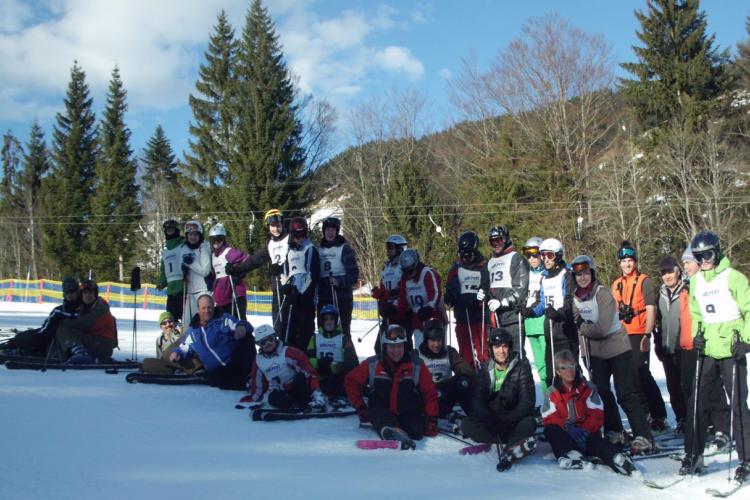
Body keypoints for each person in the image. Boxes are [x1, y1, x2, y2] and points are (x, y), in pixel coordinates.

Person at [682, 231, 750, 482]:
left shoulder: (734, 278)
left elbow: (749, 308)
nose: (705, 261)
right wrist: (696, 336)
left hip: (732, 349)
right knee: (696, 403)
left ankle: (746, 458)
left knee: (738, 406)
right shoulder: (696, 281)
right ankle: (694, 454)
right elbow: (697, 314)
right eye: (699, 257)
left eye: (708, 255)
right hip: (708, 350)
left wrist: (746, 339)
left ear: (717, 252)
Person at [570, 255, 654, 453]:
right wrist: (584, 344)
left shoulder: (603, 293)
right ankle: (615, 430)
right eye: (578, 275)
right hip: (596, 353)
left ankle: (643, 434)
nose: (582, 278)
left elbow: (602, 328)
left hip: (617, 348)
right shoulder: (575, 297)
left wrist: (583, 327)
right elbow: (576, 321)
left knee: (625, 392)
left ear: (592, 273)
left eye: (585, 273)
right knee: (602, 392)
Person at [542, 350, 636, 475]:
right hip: (565, 435)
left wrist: (583, 430)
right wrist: (567, 427)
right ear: (558, 372)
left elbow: (597, 415)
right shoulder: (552, 392)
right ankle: (571, 455)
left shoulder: (588, 388)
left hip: (586, 433)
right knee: (551, 429)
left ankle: (617, 459)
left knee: (597, 442)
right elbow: (549, 417)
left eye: (571, 366)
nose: (569, 371)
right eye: (563, 368)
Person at [345, 324, 439, 442]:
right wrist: (360, 407)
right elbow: (351, 381)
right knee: (379, 410)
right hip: (381, 408)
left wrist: (432, 418)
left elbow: (430, 393)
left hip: (407, 408)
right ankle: (389, 429)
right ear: (385, 347)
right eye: (392, 347)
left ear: (405, 346)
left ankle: (399, 429)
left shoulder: (417, 365)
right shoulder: (374, 363)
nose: (396, 351)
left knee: (417, 432)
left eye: (399, 346)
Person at [611, 241, 668, 431]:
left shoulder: (644, 281)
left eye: (630, 260)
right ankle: (643, 412)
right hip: (622, 334)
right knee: (629, 376)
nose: (627, 264)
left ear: (634, 262)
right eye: (624, 261)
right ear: (619, 263)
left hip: (639, 332)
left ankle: (658, 413)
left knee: (641, 372)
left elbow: (651, 308)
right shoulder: (616, 284)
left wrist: (647, 334)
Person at [461, 329, 536, 471]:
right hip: (494, 421)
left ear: (509, 348)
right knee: (467, 424)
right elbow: (477, 400)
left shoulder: (522, 367)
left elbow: (527, 402)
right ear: (491, 349)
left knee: (529, 422)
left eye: (505, 346)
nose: (501, 351)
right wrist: (490, 418)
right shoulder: (485, 369)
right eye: (497, 347)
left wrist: (508, 419)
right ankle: (514, 441)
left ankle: (512, 448)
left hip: (514, 419)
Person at [679, 245, 731, 449]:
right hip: (687, 345)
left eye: (689, 262)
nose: (686, 266)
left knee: (714, 390)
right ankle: (702, 429)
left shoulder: (705, 285)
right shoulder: (686, 286)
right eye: (684, 263)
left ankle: (722, 428)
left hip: (707, 345)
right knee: (692, 391)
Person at [170, 293, 255, 390]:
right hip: (220, 370)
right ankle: (244, 382)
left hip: (237, 362)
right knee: (216, 379)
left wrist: (242, 327)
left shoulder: (223, 319)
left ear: (214, 307)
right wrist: (177, 353)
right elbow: (184, 348)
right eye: (203, 308)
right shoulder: (193, 331)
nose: (207, 311)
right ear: (198, 309)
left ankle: (251, 374)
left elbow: (240, 324)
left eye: (209, 308)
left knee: (248, 338)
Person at [226, 209, 288, 327]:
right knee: (278, 324)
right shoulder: (269, 244)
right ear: (268, 227)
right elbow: (254, 261)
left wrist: (282, 267)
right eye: (272, 226)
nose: (276, 229)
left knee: (291, 323)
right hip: (277, 288)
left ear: (282, 224)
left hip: (291, 288)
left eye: (278, 225)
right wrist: (237, 269)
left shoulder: (290, 239)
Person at [527, 238, 577, 388]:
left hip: (565, 332)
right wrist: (529, 311)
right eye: (543, 255)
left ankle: (576, 407)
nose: (545, 259)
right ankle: (555, 408)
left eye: (550, 255)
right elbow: (541, 302)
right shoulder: (544, 276)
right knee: (551, 376)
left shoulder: (566, 274)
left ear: (558, 255)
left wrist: (559, 314)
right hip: (550, 331)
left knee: (570, 375)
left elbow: (570, 300)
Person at [247, 324, 327, 410]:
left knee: (300, 379)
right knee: (273, 398)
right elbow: (258, 384)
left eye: (270, 339)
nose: (268, 344)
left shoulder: (289, 352)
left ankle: (311, 401)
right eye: (263, 343)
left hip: (298, 387)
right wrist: (254, 398)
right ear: (259, 345)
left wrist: (316, 392)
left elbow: (309, 373)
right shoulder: (259, 361)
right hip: (281, 392)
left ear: (275, 337)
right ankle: (292, 405)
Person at [479, 225, 529, 358]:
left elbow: (522, 291)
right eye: (493, 241)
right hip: (494, 319)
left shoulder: (516, 258)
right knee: (497, 359)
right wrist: (482, 294)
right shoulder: (490, 262)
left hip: (512, 318)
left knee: (515, 357)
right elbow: (486, 287)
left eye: (499, 240)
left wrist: (502, 302)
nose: (496, 244)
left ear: (505, 239)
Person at [0, 277, 81, 357]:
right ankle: (10, 347)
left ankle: (20, 350)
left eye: (72, 291)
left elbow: (44, 334)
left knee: (23, 339)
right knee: (21, 337)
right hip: (48, 336)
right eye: (67, 292)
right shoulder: (59, 310)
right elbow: (44, 330)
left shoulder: (80, 308)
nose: (69, 294)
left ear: (77, 291)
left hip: (54, 340)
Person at [654, 255, 688, 432]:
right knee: (673, 388)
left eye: (670, 272)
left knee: (687, 387)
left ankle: (696, 419)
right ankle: (682, 419)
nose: (667, 276)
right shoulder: (659, 293)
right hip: (667, 348)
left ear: (678, 271)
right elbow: (658, 322)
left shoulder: (687, 290)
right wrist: (657, 343)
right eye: (664, 273)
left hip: (685, 348)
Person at [445, 231, 488, 368]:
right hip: (463, 318)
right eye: (462, 255)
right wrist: (451, 296)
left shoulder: (484, 266)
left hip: (480, 319)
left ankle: (486, 381)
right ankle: (469, 382)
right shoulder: (456, 269)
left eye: (468, 255)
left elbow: (489, 287)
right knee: (465, 356)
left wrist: (481, 297)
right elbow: (448, 295)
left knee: (484, 354)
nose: (465, 259)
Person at [417, 318, 474, 417]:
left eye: (439, 340)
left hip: (446, 390)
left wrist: (465, 375)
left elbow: (462, 366)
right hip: (428, 394)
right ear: (426, 340)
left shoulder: (449, 351)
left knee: (464, 381)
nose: (436, 344)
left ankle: (474, 415)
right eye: (433, 341)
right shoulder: (417, 354)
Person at [278, 217, 319, 351]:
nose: (300, 238)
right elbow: (286, 272)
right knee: (287, 329)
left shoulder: (310, 249)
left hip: (305, 299)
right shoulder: (289, 251)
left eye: (302, 235)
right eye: (297, 235)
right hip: (291, 298)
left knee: (304, 332)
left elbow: (312, 276)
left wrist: (302, 295)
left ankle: (305, 359)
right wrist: (285, 286)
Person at [393, 249, 446, 349]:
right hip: (418, 320)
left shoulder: (427, 273)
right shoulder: (405, 279)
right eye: (405, 272)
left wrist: (430, 307)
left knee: (436, 349)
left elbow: (435, 293)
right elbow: (403, 300)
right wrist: (394, 310)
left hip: (434, 318)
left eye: (410, 271)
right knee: (420, 350)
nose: (409, 275)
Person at [317, 217, 359, 339]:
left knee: (343, 331)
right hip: (324, 296)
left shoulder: (344, 248)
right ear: (324, 231)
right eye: (328, 230)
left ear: (337, 231)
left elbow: (354, 274)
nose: (330, 233)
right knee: (323, 330)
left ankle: (347, 356)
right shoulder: (319, 249)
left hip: (342, 297)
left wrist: (339, 281)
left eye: (333, 230)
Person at [55, 279, 117, 364]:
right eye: (85, 293)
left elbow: (85, 324)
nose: (87, 295)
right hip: (97, 343)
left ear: (95, 295)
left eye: (90, 293)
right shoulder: (87, 307)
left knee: (63, 329)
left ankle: (81, 354)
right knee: (65, 331)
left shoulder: (100, 307)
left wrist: (63, 322)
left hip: (103, 346)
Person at [306, 304, 358, 400]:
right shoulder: (314, 338)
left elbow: (352, 360)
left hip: (339, 376)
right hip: (321, 376)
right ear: (322, 321)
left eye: (331, 319)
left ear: (336, 321)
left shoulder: (344, 338)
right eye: (326, 319)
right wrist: (320, 363)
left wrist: (338, 367)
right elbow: (307, 361)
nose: (329, 322)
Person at [371, 234, 408, 353]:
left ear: (400, 249)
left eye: (391, 248)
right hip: (388, 312)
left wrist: (386, 296)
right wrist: (379, 295)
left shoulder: (404, 267)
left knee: (401, 346)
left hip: (401, 313)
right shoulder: (386, 268)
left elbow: (404, 289)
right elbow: (383, 287)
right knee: (380, 347)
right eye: (387, 248)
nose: (388, 251)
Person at [522, 237, 547, 393]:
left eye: (535, 254)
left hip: (544, 322)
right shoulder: (525, 274)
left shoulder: (547, 273)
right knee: (540, 367)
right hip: (529, 325)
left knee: (548, 365)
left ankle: (555, 403)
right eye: (528, 255)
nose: (532, 258)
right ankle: (547, 402)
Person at [208, 223, 249, 320]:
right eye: (213, 240)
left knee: (238, 320)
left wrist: (237, 271)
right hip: (220, 294)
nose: (216, 242)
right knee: (224, 322)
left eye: (219, 239)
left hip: (234, 291)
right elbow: (213, 274)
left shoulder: (229, 251)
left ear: (223, 239)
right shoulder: (213, 256)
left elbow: (246, 260)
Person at [180, 220, 212, 327]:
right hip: (190, 291)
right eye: (190, 234)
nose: (192, 237)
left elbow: (205, 271)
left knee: (203, 320)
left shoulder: (204, 247)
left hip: (204, 291)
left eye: (195, 234)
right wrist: (183, 270)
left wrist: (191, 263)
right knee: (186, 322)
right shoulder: (184, 248)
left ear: (200, 235)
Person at [156, 219, 186, 323]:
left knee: (185, 319)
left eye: (172, 230)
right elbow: (164, 271)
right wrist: (161, 283)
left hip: (183, 288)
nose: (169, 232)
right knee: (171, 320)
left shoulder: (183, 245)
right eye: (167, 230)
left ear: (177, 230)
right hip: (171, 292)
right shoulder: (165, 252)